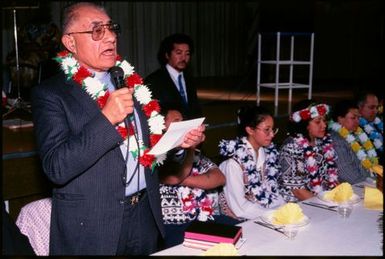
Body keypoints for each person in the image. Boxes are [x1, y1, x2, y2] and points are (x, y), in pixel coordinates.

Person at [31, 2, 205, 256]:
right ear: (70, 42)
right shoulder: (51, 94)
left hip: (144, 217)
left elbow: (147, 152)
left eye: (111, 28)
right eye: (97, 31)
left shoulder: (128, 82)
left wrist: (179, 144)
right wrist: (106, 119)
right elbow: (57, 167)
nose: (111, 36)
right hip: (92, 226)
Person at [158, 103, 239, 249]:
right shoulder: (160, 157)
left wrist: (182, 180)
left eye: (183, 121)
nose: (184, 125)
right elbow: (170, 177)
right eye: (177, 122)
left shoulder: (195, 155)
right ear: (161, 127)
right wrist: (180, 178)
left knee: (240, 230)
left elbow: (219, 178)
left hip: (205, 219)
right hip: (176, 226)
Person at [218, 105, 284, 221]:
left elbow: (272, 191)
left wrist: (284, 208)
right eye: (267, 130)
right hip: (237, 220)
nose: (272, 135)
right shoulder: (233, 163)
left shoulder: (267, 153)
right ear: (250, 130)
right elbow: (240, 208)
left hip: (263, 214)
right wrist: (276, 215)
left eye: (273, 129)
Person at [278, 100, 339, 202]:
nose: (324, 125)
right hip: (297, 204)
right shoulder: (291, 147)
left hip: (322, 199)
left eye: (324, 121)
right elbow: (297, 191)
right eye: (318, 121)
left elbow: (331, 176)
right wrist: (324, 204)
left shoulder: (322, 142)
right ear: (305, 124)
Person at [144, 33, 202, 120]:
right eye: (179, 53)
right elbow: (147, 112)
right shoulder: (153, 81)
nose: (183, 58)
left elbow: (195, 109)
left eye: (187, 54)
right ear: (167, 55)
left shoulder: (189, 78)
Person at [328, 99, 378, 184]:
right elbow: (346, 174)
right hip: (353, 187)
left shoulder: (358, 134)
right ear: (340, 119)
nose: (357, 121)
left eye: (358, 118)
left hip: (366, 181)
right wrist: (372, 184)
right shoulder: (336, 140)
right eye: (353, 118)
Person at [356, 91, 383, 162]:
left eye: (377, 107)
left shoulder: (379, 123)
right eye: (371, 107)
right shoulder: (356, 129)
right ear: (360, 107)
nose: (375, 111)